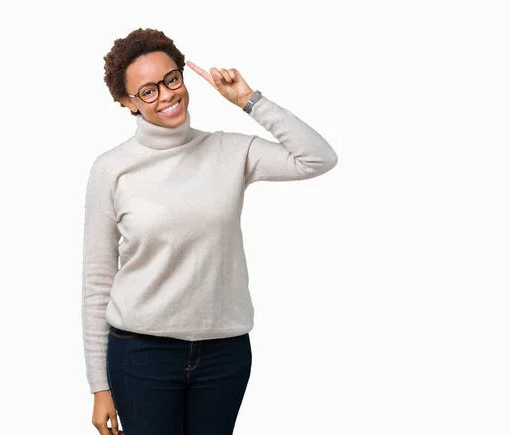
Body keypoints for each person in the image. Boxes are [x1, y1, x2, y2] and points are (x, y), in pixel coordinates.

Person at [82, 28, 338, 435]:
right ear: (127, 103)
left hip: (224, 354)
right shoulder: (112, 168)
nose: (166, 95)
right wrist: (99, 386)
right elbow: (98, 281)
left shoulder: (231, 151)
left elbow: (318, 159)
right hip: (141, 354)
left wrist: (250, 102)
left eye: (171, 79)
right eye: (147, 92)